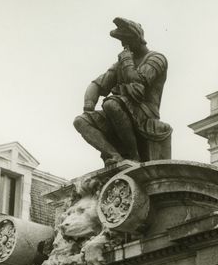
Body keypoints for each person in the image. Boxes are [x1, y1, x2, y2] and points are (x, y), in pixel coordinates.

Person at [73, 17, 172, 167]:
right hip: (121, 108)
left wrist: (126, 60)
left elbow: (138, 81)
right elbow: (97, 85)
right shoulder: (122, 63)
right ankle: (115, 156)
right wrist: (89, 106)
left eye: (127, 41)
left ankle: (133, 157)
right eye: (122, 42)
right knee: (81, 121)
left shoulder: (157, 59)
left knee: (111, 103)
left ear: (138, 39)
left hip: (145, 112)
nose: (124, 46)